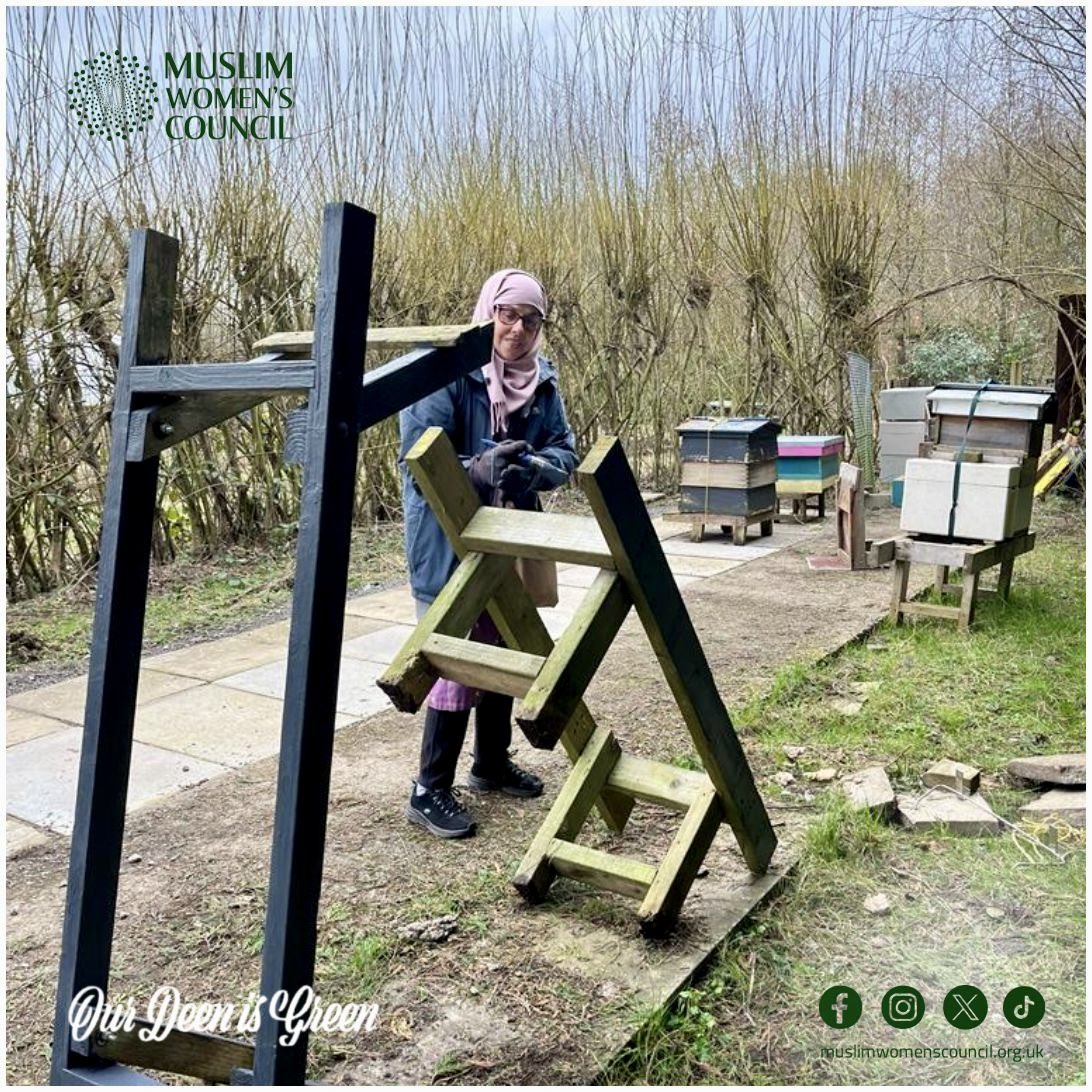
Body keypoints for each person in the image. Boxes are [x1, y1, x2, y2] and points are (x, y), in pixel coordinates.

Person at [398, 269, 578, 838]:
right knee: (457, 654)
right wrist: (474, 470)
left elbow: (564, 449)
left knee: (505, 639)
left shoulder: (542, 381)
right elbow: (419, 457)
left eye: (531, 319)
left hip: (510, 538)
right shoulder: (447, 370)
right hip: (449, 541)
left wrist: (536, 469)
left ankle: (491, 763)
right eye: (507, 315)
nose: (518, 329)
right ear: (487, 314)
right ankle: (430, 787)